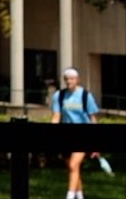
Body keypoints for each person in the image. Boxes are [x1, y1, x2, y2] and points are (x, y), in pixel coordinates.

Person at [53, 66, 102, 199]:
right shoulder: (59, 95)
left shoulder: (86, 96)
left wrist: (95, 142)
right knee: (72, 168)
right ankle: (79, 196)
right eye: (67, 79)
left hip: (83, 135)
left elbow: (93, 118)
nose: (69, 81)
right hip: (66, 136)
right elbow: (56, 116)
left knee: (74, 164)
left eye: (72, 79)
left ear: (78, 80)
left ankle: (69, 196)